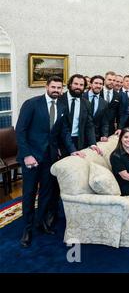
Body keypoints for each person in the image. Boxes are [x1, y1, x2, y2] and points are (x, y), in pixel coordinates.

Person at [15, 76, 84, 247]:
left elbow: (64, 132)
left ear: (62, 89)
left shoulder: (62, 106)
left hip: (50, 158)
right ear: (47, 87)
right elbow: (20, 131)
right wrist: (26, 155)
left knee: (47, 192)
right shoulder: (31, 104)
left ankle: (41, 223)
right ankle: (27, 229)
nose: (56, 90)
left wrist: (73, 151)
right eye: (53, 87)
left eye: (59, 88)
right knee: (29, 193)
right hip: (31, 157)